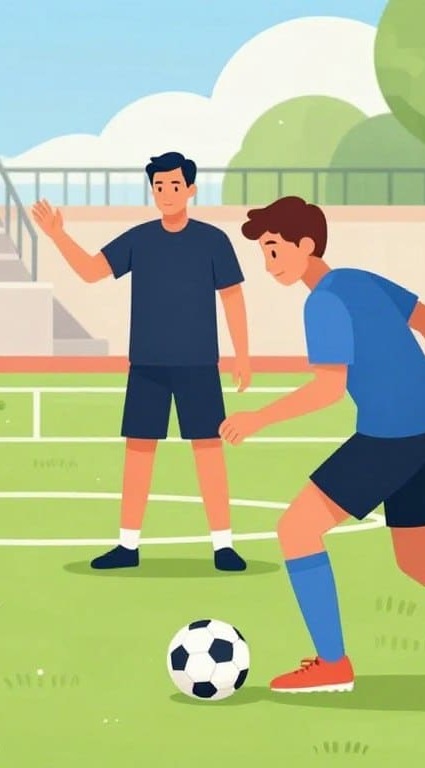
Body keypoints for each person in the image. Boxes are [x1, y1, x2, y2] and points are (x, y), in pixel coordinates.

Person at [222, 195, 425, 696]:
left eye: (275, 250)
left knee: (297, 530)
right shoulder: (358, 279)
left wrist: (257, 418)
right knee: (419, 558)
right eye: (264, 255)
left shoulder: (324, 300)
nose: (269, 265)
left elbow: (328, 389)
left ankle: (332, 663)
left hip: (391, 438)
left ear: (306, 244)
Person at [31, 151, 251, 572]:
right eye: (159, 186)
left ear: (190, 189)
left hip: (199, 365)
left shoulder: (212, 241)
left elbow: (233, 297)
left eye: (174, 185)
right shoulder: (140, 239)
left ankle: (223, 545)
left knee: (208, 450)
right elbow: (92, 271)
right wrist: (59, 235)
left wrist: (243, 355)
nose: (166, 193)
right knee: (139, 451)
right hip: (147, 365)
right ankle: (127, 546)